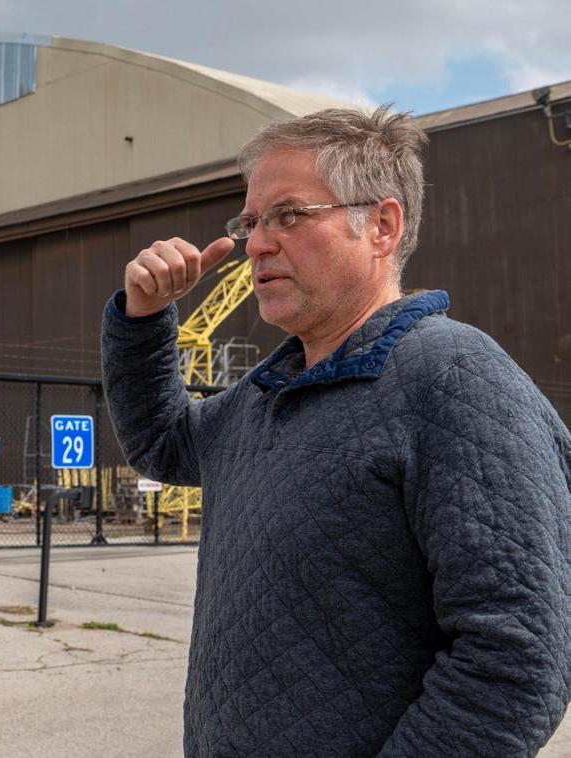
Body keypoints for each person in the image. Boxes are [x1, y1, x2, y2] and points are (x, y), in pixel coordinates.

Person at [101, 106, 571, 756]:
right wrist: (143, 317)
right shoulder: (268, 391)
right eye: (251, 221)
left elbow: (515, 659)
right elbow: (162, 442)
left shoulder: (454, 378)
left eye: (288, 215)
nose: (257, 242)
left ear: (381, 226)